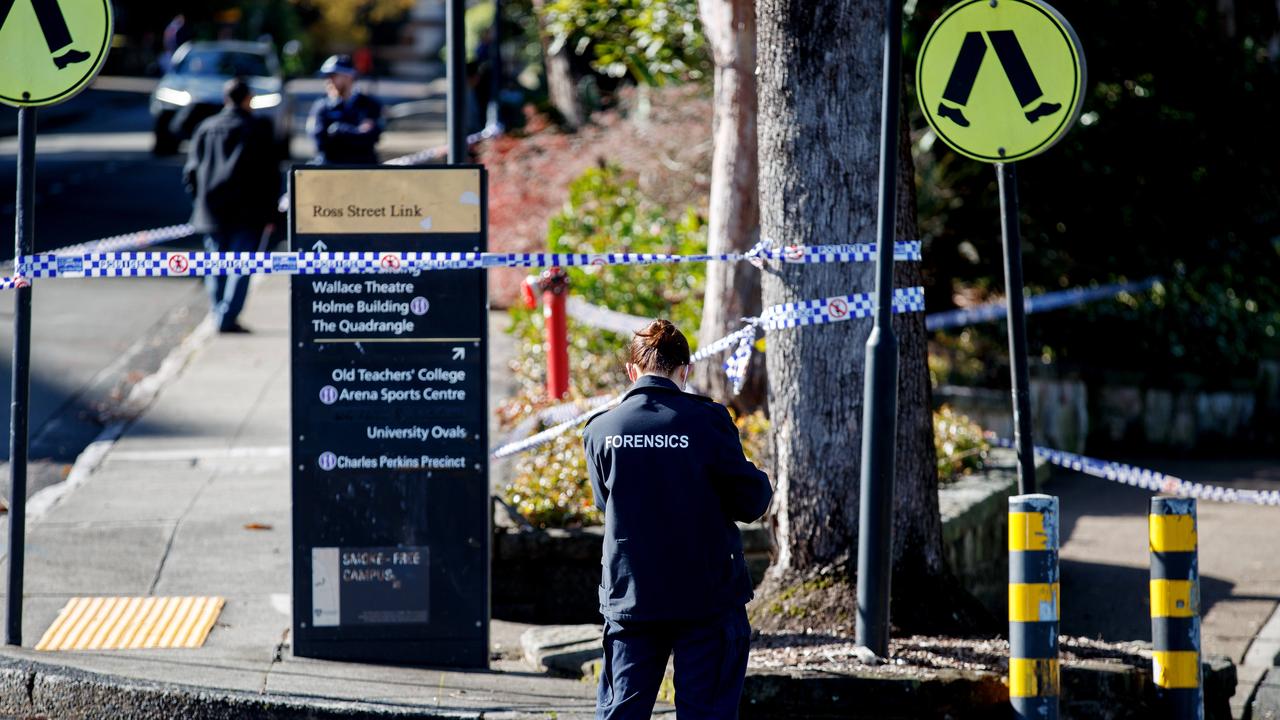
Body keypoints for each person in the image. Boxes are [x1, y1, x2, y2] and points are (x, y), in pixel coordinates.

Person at [582, 320, 773, 719]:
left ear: (632, 371)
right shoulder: (708, 421)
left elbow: (606, 503)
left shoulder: (602, 429)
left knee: (622, 713)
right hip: (706, 597)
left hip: (631, 595)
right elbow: (750, 502)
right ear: (684, 370)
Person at [183, 77, 278, 333]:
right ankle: (226, 316)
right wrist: (272, 212)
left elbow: (190, 172)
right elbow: (270, 175)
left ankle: (219, 314)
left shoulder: (206, 128)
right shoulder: (258, 129)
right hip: (247, 212)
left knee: (216, 265)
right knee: (241, 266)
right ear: (248, 99)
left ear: (226, 99)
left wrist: (199, 200)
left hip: (211, 209)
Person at [308, 54, 383, 164]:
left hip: (363, 169)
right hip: (329, 170)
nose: (329, 81)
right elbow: (320, 143)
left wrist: (337, 130)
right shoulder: (321, 107)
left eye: (333, 76)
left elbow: (371, 138)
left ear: (349, 77)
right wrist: (356, 132)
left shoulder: (369, 105)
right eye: (327, 77)